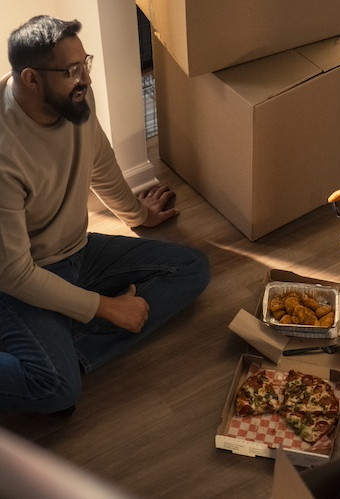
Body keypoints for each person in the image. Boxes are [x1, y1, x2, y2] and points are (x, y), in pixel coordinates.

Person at [0, 15, 210, 415]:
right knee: (58, 391)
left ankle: (65, 348)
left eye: (86, 64)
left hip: (75, 251)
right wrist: (107, 307)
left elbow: (98, 162)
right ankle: (57, 359)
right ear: (30, 79)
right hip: (19, 278)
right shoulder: (3, 154)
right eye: (72, 71)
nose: (87, 80)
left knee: (191, 268)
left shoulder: (74, 98)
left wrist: (138, 216)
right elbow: (14, 273)